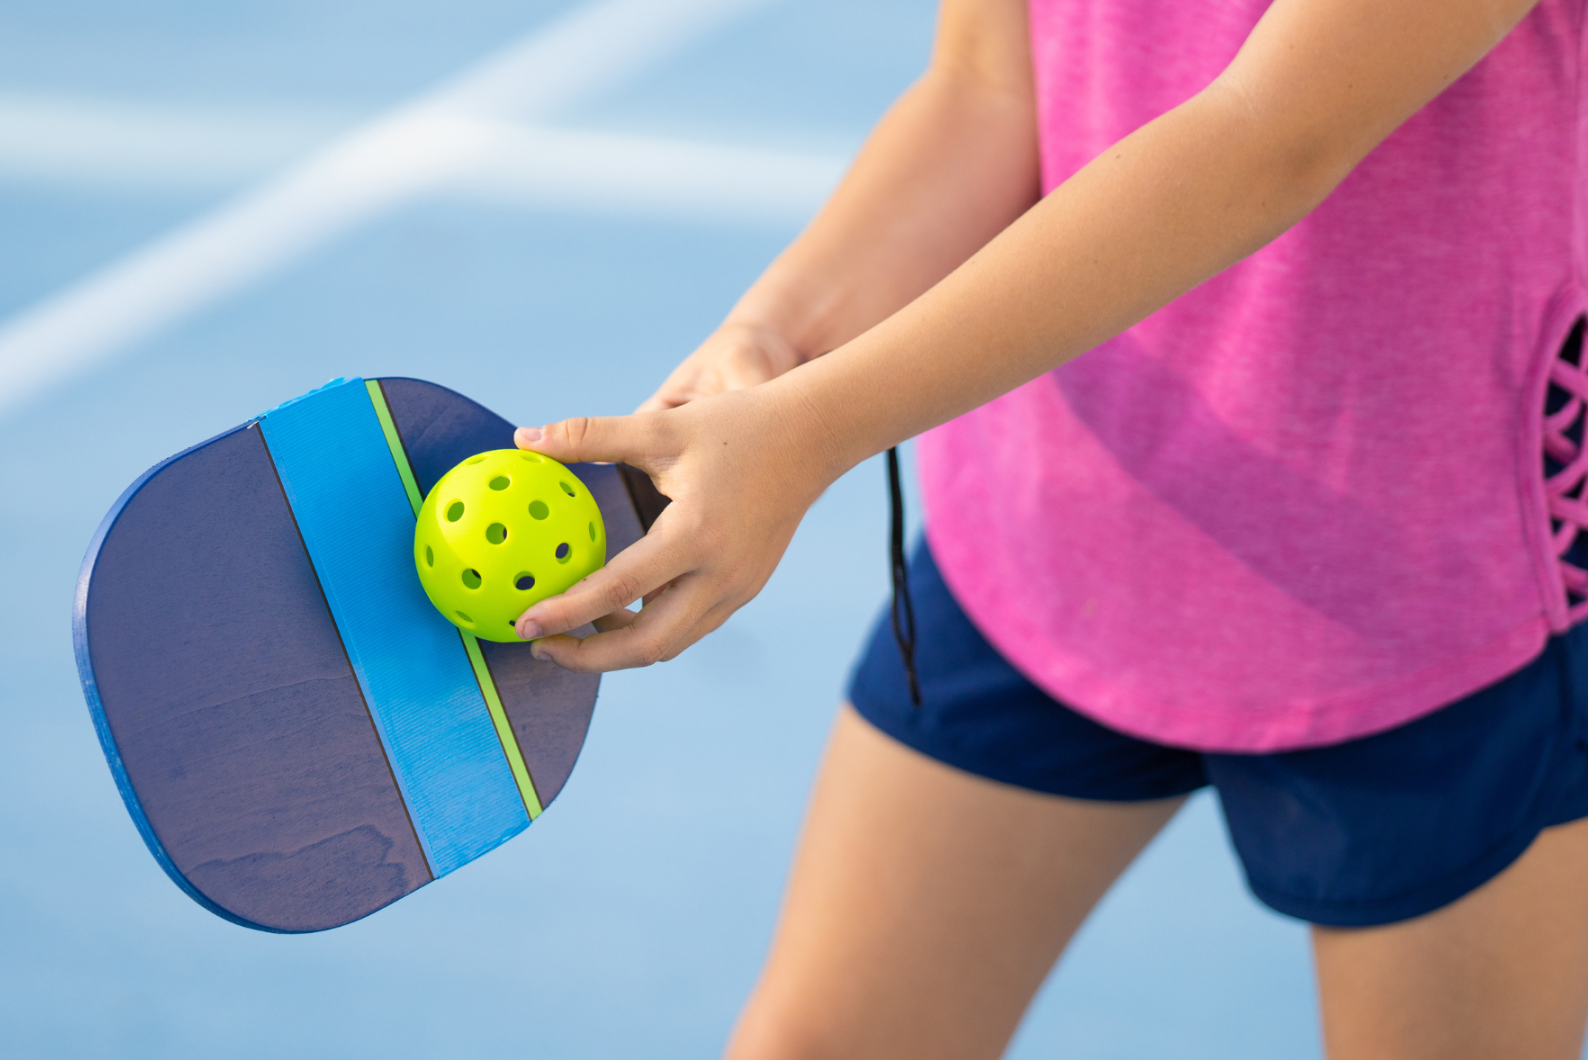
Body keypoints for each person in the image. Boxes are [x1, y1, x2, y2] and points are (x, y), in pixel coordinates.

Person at [512, 0, 1588, 1053]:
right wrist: (772, 340)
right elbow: (984, 90)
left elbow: (1271, 135)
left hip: (1429, 599)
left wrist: (808, 430)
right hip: (1047, 541)